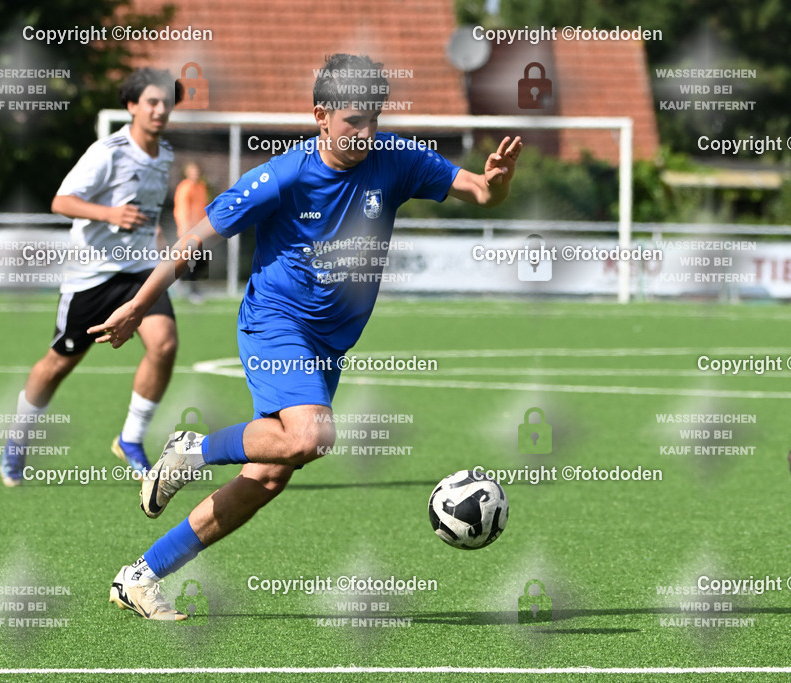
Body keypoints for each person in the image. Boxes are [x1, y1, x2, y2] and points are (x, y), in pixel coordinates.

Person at [93, 53, 523, 619]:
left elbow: (480, 192)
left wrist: (496, 180)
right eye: (352, 121)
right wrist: (137, 305)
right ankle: (194, 450)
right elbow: (195, 238)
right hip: (275, 324)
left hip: (327, 347)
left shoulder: (394, 159)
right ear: (320, 115)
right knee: (311, 437)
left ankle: (139, 576)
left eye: (373, 118)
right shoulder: (284, 176)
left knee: (268, 477)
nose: (365, 132)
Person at [0, 68, 181, 486]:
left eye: (166, 102)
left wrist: (158, 243)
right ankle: (18, 440)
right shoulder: (108, 151)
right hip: (92, 278)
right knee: (59, 364)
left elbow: (148, 211)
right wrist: (109, 213)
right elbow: (61, 201)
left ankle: (130, 439)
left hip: (138, 273)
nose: (160, 110)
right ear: (132, 106)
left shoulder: (165, 154)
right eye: (151, 101)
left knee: (165, 344)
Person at [172, 162, 211, 301]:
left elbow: (205, 206)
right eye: (192, 171)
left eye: (196, 171)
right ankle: (192, 290)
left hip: (200, 229)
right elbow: (182, 209)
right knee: (191, 259)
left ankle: (181, 281)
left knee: (201, 260)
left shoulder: (201, 186)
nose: (195, 173)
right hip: (189, 230)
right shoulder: (185, 187)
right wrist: (185, 228)